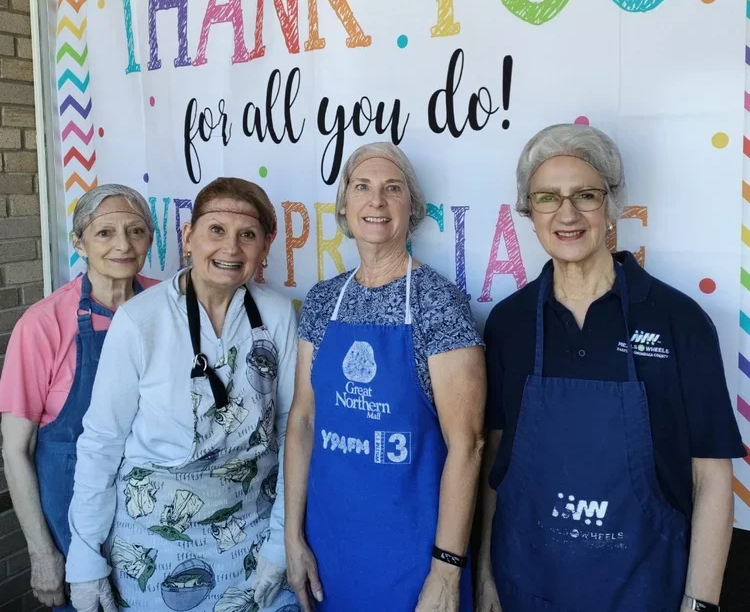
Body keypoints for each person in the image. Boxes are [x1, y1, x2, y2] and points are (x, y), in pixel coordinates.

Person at [476, 124, 744, 612]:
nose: (567, 213)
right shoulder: (508, 323)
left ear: (612, 204)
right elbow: (495, 457)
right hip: (525, 589)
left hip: (645, 594)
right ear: (528, 211)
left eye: (586, 194)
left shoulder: (679, 320)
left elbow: (711, 477)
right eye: (547, 197)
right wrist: (486, 579)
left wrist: (700, 603)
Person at [64, 177, 300, 612]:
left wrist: (281, 542)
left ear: (265, 248)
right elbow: (101, 441)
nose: (230, 248)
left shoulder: (278, 314)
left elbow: (291, 430)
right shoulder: (140, 320)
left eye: (247, 235)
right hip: (154, 540)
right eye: (216, 231)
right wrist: (84, 554)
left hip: (252, 528)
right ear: (188, 237)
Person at [284, 142, 485, 612]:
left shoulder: (439, 302)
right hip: (329, 547)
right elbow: (303, 421)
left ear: (411, 208)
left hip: (413, 553)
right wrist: (292, 536)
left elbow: (469, 445)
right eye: (362, 187)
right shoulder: (322, 300)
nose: (376, 201)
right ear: (344, 206)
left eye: (392, 188)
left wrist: (446, 569)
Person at [0, 184, 158, 611]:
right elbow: (16, 450)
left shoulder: (167, 305)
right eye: (105, 232)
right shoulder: (43, 325)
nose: (123, 245)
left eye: (137, 231)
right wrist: (41, 554)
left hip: (154, 513)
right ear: (79, 243)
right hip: (71, 516)